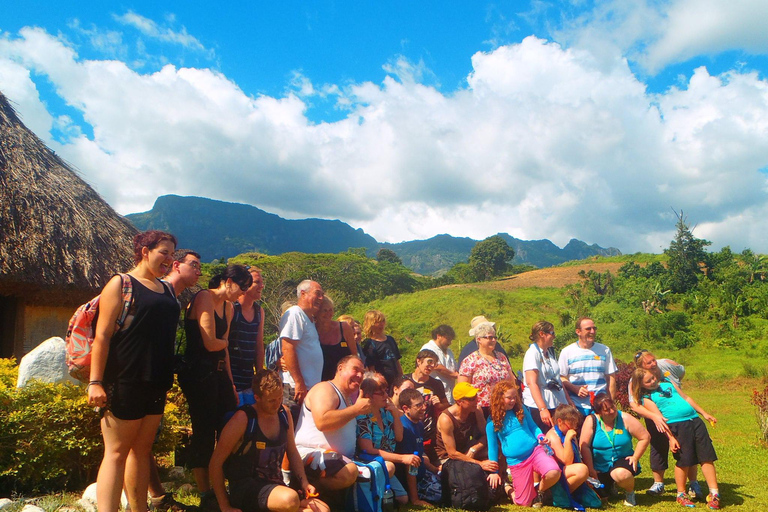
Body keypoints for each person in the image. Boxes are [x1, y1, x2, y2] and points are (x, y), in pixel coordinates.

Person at [88, 231, 181, 512]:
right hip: (125, 378)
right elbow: (102, 336)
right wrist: (95, 382)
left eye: (172, 254)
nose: (169, 259)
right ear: (144, 251)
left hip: (156, 380)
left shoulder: (166, 289)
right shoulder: (121, 283)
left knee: (141, 451)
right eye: (163, 252)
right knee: (116, 453)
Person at [178, 264, 253, 500]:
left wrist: (230, 381)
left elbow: (223, 349)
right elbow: (212, 343)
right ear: (228, 281)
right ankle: (205, 492)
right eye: (241, 287)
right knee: (204, 430)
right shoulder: (204, 297)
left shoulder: (228, 308)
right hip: (199, 374)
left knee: (229, 426)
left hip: (219, 373)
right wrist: (224, 342)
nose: (242, 294)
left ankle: (228, 483)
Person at [209, 370, 329, 512]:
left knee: (322, 509)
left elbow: (292, 451)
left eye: (279, 398)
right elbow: (215, 463)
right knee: (290, 500)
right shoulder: (242, 419)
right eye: (271, 400)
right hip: (246, 489)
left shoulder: (284, 414)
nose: (277, 404)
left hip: (276, 488)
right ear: (257, 398)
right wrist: (225, 506)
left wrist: (304, 483)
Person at [145, 248, 202, 512]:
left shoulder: (173, 297)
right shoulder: (160, 292)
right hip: (143, 377)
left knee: (144, 443)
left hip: (156, 377)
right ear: (176, 265)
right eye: (194, 265)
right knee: (138, 443)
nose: (198, 271)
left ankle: (156, 496)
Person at [631, 368, 720, 509]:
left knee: (706, 457)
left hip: (695, 421)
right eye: (648, 381)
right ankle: (681, 494)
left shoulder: (667, 384)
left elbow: (686, 398)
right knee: (684, 460)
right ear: (641, 385)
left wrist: (704, 413)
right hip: (677, 426)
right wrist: (671, 438)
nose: (653, 381)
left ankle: (714, 494)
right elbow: (660, 420)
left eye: (653, 378)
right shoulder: (647, 398)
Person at [293, 355, 370, 493]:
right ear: (340, 369)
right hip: (309, 453)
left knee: (383, 468)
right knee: (348, 472)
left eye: (362, 373)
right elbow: (322, 422)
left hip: (338, 459)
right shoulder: (325, 389)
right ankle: (303, 488)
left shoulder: (348, 398)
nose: (359, 375)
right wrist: (356, 410)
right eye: (355, 370)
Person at [628, 349, 698, 498]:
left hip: (678, 414)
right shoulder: (637, 379)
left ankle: (693, 483)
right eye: (649, 363)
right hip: (655, 416)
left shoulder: (665, 365)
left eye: (653, 360)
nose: (653, 364)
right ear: (641, 367)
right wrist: (654, 416)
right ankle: (658, 483)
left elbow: (681, 371)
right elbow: (634, 404)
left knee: (688, 446)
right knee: (658, 446)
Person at [487, 381, 561, 508]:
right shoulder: (492, 422)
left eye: (514, 397)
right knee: (524, 504)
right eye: (509, 398)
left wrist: (540, 436)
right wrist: (494, 471)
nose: (513, 401)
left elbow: (533, 427)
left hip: (535, 451)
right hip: (516, 461)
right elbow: (492, 448)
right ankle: (508, 488)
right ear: (499, 398)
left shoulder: (521, 410)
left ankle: (539, 493)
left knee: (553, 472)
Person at [579, 393, 650, 507]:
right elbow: (584, 446)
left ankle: (630, 493)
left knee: (621, 474)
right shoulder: (591, 420)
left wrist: (635, 457)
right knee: (599, 498)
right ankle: (609, 485)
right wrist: (591, 469)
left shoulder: (624, 418)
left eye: (613, 407)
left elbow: (645, 437)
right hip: (599, 465)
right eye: (607, 410)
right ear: (599, 412)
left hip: (621, 460)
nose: (612, 411)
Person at [435, 382, 498, 507]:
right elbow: (452, 453)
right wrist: (480, 464)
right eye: (471, 399)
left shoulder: (476, 411)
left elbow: (487, 435)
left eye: (476, 397)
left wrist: (474, 449)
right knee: (471, 471)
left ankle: (499, 481)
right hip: (447, 458)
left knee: (497, 450)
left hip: (467, 450)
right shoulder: (446, 419)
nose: (476, 401)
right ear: (459, 401)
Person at [355, 372, 411, 505]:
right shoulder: (362, 417)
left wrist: (395, 414)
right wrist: (402, 458)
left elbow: (399, 437)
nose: (386, 396)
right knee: (391, 472)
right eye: (381, 393)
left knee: (403, 498)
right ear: (368, 395)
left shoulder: (385, 411)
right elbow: (368, 449)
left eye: (386, 391)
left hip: (386, 461)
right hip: (371, 461)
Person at [558, 317, 618, 415]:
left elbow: (611, 378)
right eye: (588, 329)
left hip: (601, 406)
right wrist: (575, 388)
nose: (592, 331)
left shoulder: (604, 350)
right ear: (578, 332)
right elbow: (561, 378)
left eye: (594, 328)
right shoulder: (567, 352)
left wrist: (610, 402)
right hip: (578, 406)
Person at [280, 280, 325, 406]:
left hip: (309, 388)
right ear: (303, 294)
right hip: (295, 388)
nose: (321, 298)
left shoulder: (309, 319)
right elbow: (288, 348)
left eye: (322, 295)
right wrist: (299, 382)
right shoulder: (295, 313)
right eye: (318, 294)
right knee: (292, 424)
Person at [395, 388, 442, 507]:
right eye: (418, 405)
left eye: (424, 403)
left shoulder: (419, 423)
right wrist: (415, 499)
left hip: (422, 473)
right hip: (412, 479)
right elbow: (410, 466)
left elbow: (420, 454)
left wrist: (435, 469)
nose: (424, 408)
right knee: (442, 495)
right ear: (406, 408)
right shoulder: (404, 428)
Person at [457, 322, 515, 417]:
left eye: (494, 338)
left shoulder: (502, 357)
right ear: (479, 339)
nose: (493, 340)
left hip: (503, 406)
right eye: (489, 337)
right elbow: (463, 388)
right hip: (481, 409)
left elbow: (511, 382)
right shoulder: (470, 360)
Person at [523, 321, 570, 432]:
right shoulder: (532, 353)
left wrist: (568, 400)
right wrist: (542, 408)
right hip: (540, 403)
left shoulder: (549, 352)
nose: (554, 336)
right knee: (546, 436)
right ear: (542, 334)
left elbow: (557, 379)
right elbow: (531, 382)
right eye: (552, 333)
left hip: (556, 400)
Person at [405, 349, 449, 464]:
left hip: (430, 433)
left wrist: (439, 405)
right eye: (429, 362)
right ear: (419, 361)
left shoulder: (436, 384)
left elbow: (447, 406)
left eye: (434, 363)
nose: (432, 366)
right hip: (409, 430)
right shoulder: (405, 381)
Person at [229, 267, 266, 407]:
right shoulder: (232, 308)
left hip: (248, 378)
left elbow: (259, 345)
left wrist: (260, 376)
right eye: (257, 282)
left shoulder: (259, 311)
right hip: (233, 376)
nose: (261, 286)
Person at [543, 404, 590, 492]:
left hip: (567, 470)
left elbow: (577, 457)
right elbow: (567, 461)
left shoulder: (569, 432)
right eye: (570, 425)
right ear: (560, 421)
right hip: (556, 471)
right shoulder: (552, 436)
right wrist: (568, 439)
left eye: (574, 425)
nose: (573, 428)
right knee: (582, 470)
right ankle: (558, 495)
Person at [316, 297, 357, 382]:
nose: (328, 313)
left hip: (344, 381)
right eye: (324, 310)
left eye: (330, 310)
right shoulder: (311, 331)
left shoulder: (344, 328)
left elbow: (354, 356)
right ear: (317, 312)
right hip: (320, 382)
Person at [360, 310, 403, 388]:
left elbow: (397, 360)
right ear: (370, 324)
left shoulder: (390, 339)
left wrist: (401, 376)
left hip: (396, 380)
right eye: (377, 322)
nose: (381, 325)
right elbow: (371, 368)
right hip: (383, 383)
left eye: (382, 321)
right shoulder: (370, 344)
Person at [420, 325, 459, 404]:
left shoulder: (449, 351)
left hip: (450, 392)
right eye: (447, 339)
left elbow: (454, 366)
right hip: (435, 392)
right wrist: (454, 375)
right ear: (438, 336)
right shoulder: (429, 348)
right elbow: (436, 366)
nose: (449, 343)